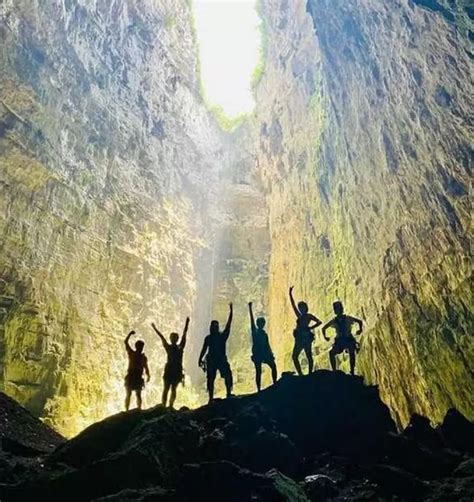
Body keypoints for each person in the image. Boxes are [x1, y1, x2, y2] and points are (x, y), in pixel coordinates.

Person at [198, 303, 234, 402]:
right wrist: (200, 358)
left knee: (220, 377)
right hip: (216, 360)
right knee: (214, 378)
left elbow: (228, 324)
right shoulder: (218, 337)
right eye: (213, 326)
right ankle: (218, 396)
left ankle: (224, 394)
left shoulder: (215, 337)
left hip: (215, 360)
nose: (213, 328)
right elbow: (204, 349)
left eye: (214, 326)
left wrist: (231, 311)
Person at [152, 317, 190, 408]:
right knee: (169, 389)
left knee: (169, 389)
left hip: (173, 370)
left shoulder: (174, 347)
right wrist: (155, 328)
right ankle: (168, 406)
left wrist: (187, 324)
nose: (173, 339)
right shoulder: (178, 348)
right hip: (174, 370)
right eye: (172, 338)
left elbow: (183, 335)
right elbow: (162, 337)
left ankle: (167, 406)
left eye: (174, 338)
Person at [322, 301, 363, 375]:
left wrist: (360, 330)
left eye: (339, 308)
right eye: (336, 309)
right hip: (340, 341)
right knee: (331, 353)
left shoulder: (347, 318)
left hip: (348, 339)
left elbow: (359, 321)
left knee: (351, 351)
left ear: (342, 309)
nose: (338, 310)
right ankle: (334, 371)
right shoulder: (334, 320)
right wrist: (325, 337)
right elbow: (324, 328)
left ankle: (352, 371)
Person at [289, 286, 322, 375]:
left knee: (308, 355)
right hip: (299, 338)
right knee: (295, 356)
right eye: (300, 308)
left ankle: (310, 373)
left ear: (305, 308)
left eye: (302, 307)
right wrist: (290, 293)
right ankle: (300, 374)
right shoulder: (299, 315)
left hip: (306, 337)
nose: (300, 309)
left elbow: (319, 322)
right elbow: (293, 305)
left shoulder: (308, 316)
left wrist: (311, 328)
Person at [248, 302, 277, 391]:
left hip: (263, 353)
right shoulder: (255, 332)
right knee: (259, 371)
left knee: (271, 367)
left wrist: (270, 353)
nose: (261, 325)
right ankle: (259, 388)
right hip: (258, 354)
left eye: (262, 323)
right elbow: (251, 321)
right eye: (260, 323)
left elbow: (267, 345)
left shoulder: (264, 334)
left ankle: (273, 383)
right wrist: (250, 308)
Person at [124, 330, 150, 411]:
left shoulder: (143, 357)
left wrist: (148, 374)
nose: (141, 348)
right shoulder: (131, 353)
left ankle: (138, 408)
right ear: (136, 347)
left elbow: (146, 367)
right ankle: (127, 410)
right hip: (132, 375)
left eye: (141, 347)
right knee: (129, 394)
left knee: (138, 394)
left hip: (137, 376)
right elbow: (125, 342)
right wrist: (129, 334)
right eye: (139, 346)